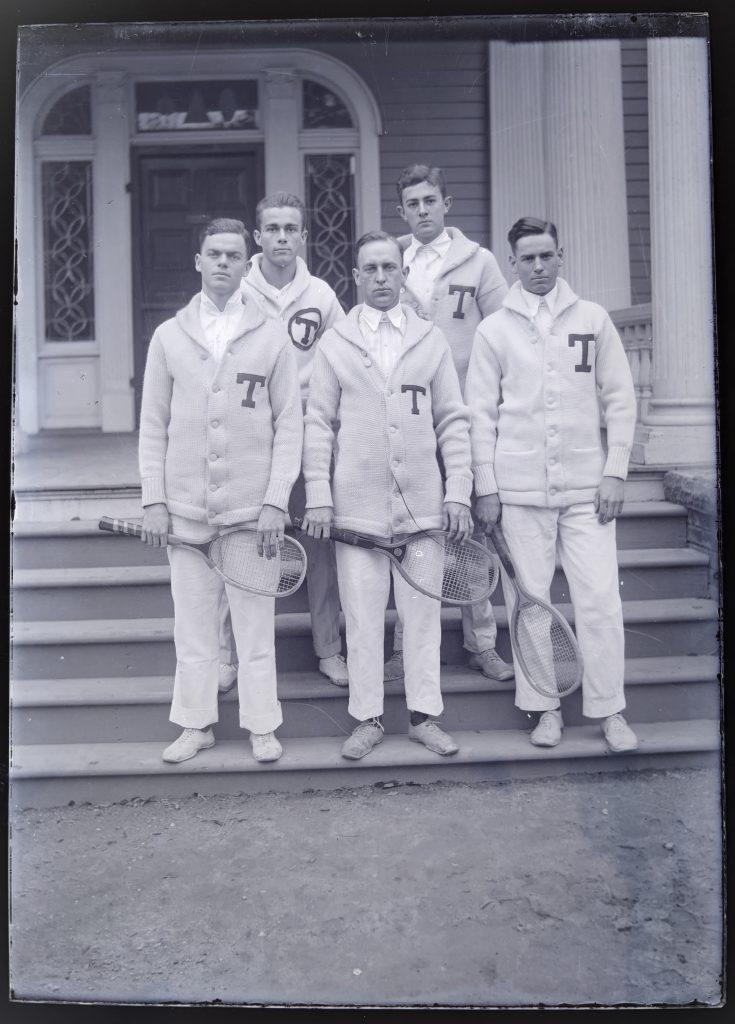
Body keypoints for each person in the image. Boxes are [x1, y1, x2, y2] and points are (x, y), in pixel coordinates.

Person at [466, 216, 639, 753]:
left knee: (600, 601)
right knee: (530, 602)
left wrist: (615, 471)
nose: (538, 267)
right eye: (527, 258)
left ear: (560, 256)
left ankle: (610, 710)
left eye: (547, 256)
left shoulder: (592, 318)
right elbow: (479, 415)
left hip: (588, 490)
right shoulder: (494, 328)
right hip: (519, 491)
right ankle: (543, 707)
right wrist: (487, 486)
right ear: (512, 262)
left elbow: (620, 399)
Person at [301, 230, 474, 760]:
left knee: (421, 616)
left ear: (403, 273)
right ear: (355, 277)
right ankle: (367, 718)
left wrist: (460, 491)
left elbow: (453, 420)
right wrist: (319, 496)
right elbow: (317, 423)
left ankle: (424, 717)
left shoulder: (430, 339)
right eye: (370, 269)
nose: (380, 278)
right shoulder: (336, 343)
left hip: (422, 503)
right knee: (362, 613)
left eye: (389, 268)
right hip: (356, 507)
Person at [138, 218, 302, 764]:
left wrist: (277, 499)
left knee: (254, 627)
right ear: (198, 262)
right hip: (186, 511)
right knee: (194, 627)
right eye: (215, 254)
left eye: (234, 255)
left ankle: (261, 725)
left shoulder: (270, 337)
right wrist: (155, 500)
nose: (224, 264)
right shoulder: (169, 336)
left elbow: (291, 426)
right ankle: (196, 724)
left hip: (250, 513)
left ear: (246, 262)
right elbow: (152, 425)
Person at [383, 163, 514, 685]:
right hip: (410, 417)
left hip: (463, 412)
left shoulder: (477, 261)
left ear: (446, 203)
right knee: (412, 526)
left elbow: (505, 331)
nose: (422, 211)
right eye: (412, 204)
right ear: (402, 211)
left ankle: (481, 641)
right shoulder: (391, 260)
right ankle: (408, 646)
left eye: (430, 201)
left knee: (469, 531)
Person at [218, 192, 348, 691]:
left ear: (303, 236)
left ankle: (329, 649)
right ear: (257, 236)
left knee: (319, 547)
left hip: (309, 434)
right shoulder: (236, 290)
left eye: (290, 229)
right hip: (251, 438)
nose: (281, 238)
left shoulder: (321, 295)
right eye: (272, 229)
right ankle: (232, 658)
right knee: (242, 545)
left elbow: (340, 358)